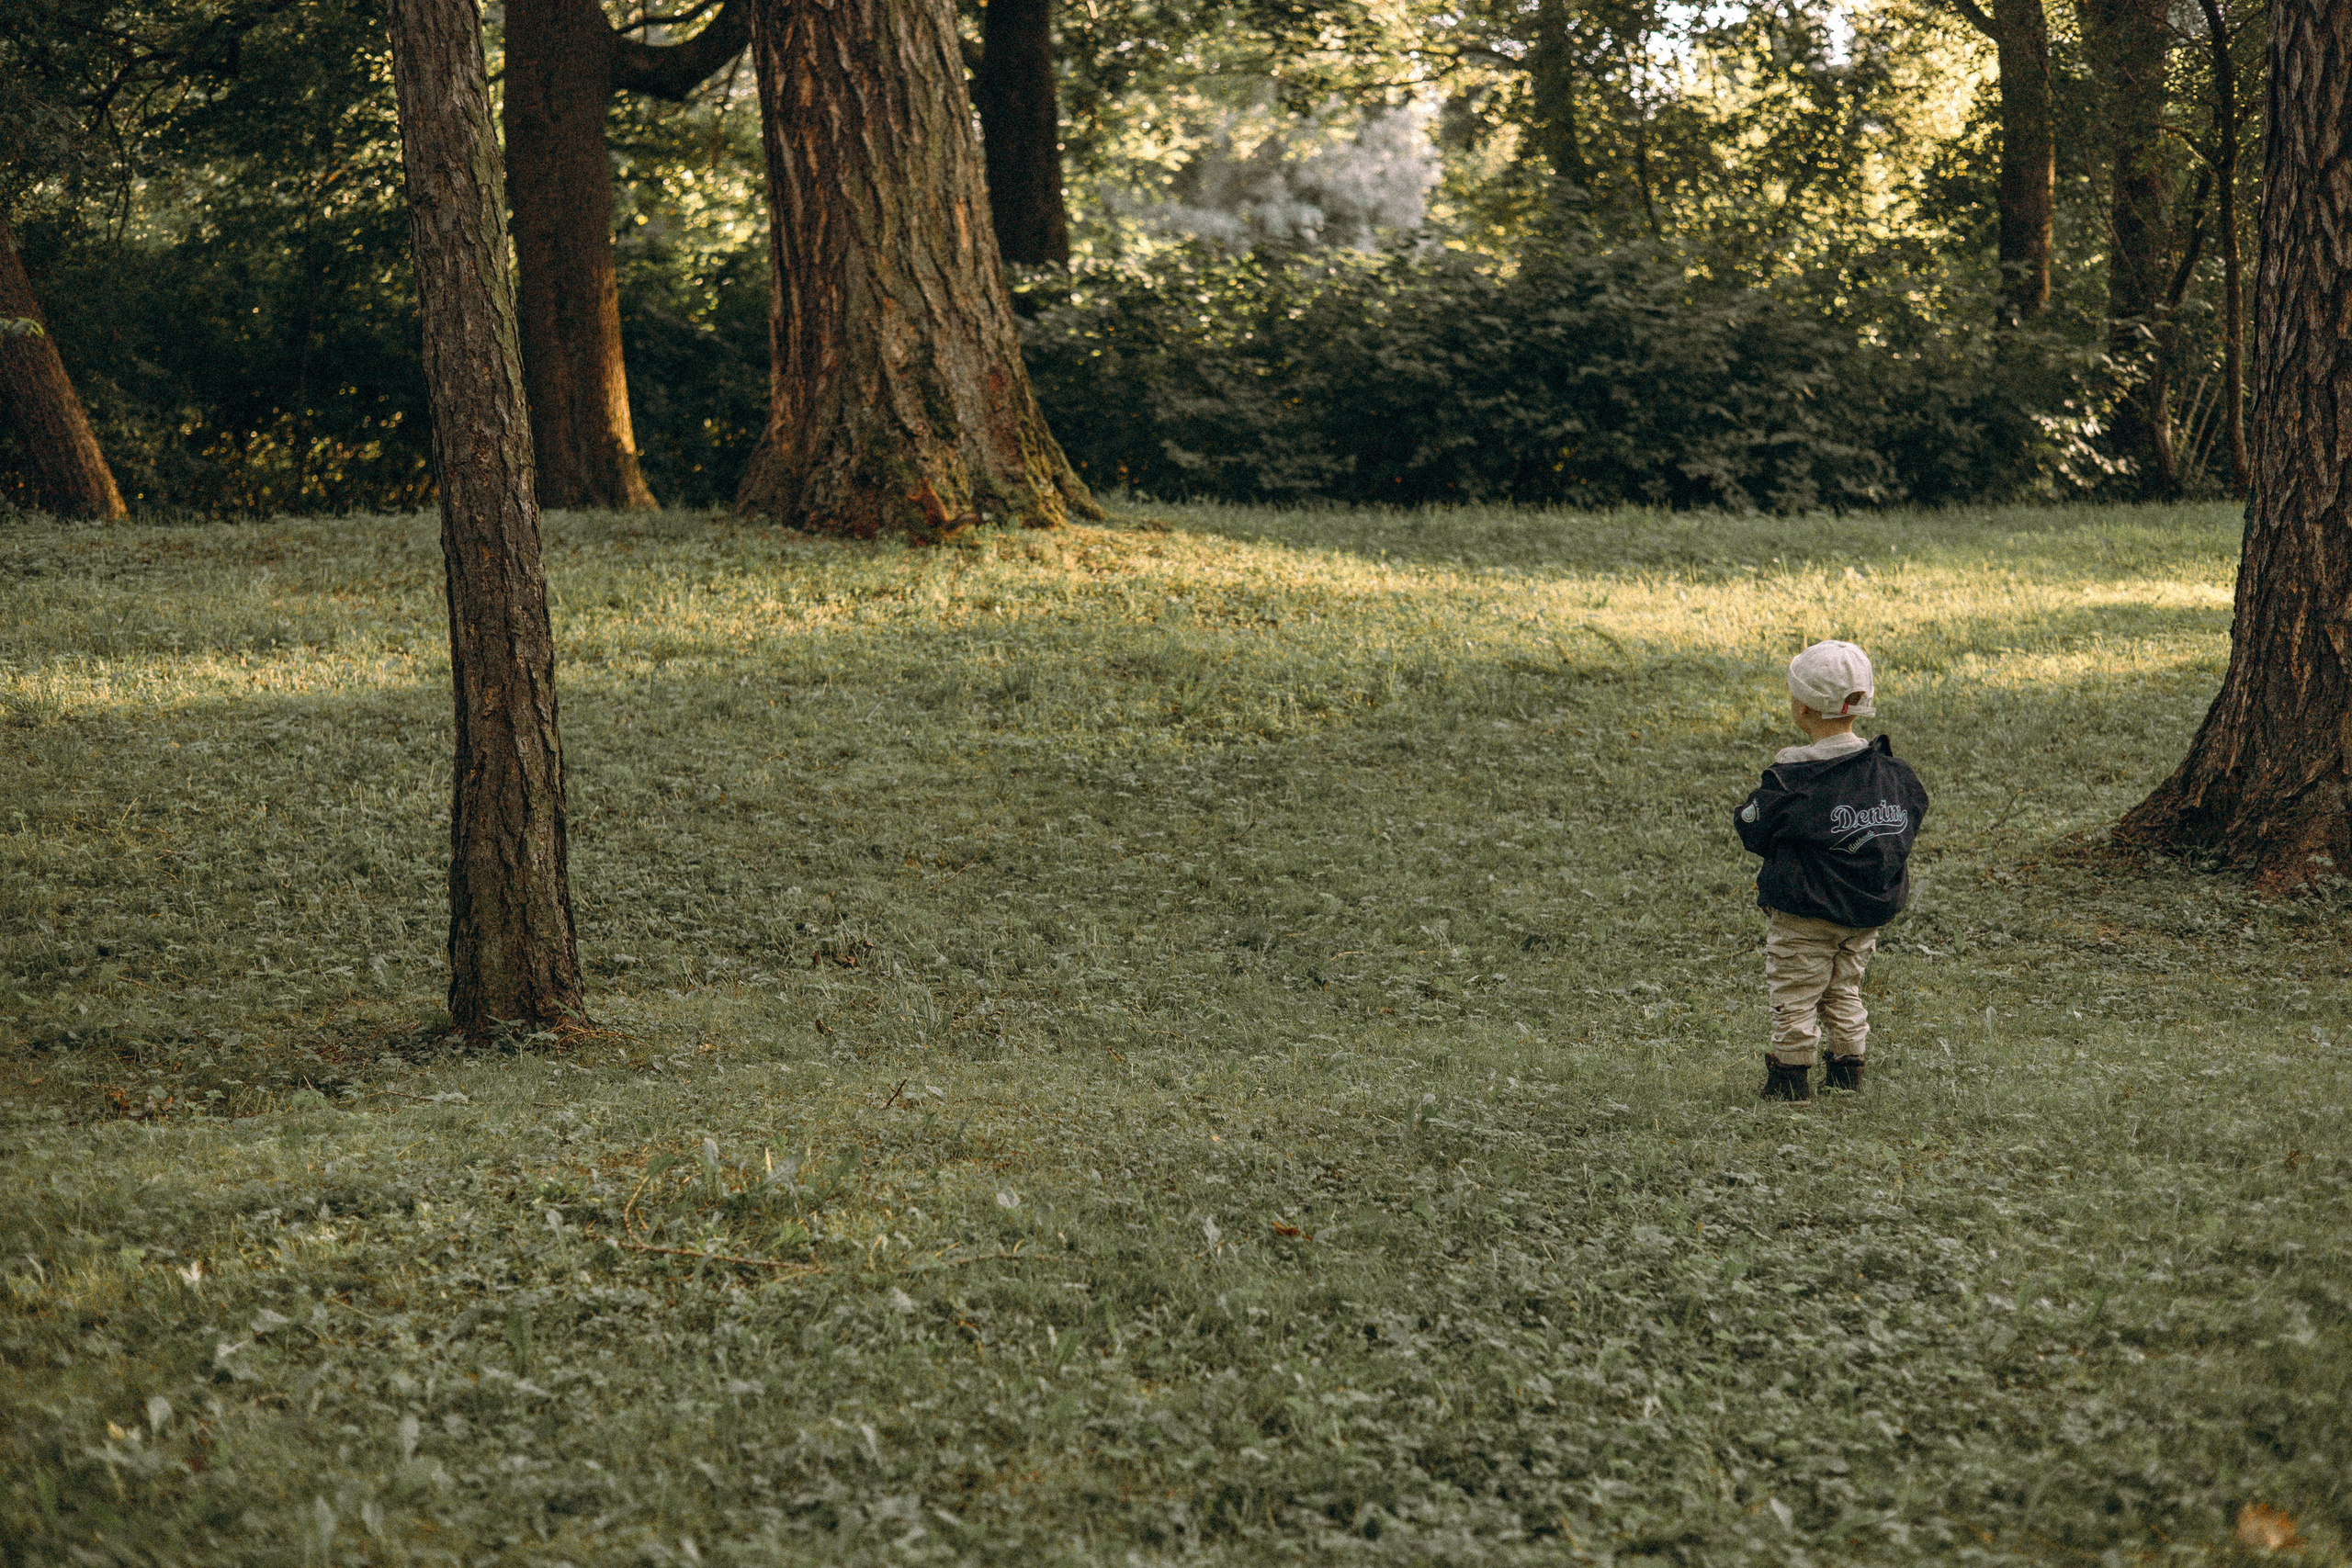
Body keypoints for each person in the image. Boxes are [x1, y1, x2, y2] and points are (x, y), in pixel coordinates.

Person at [1732, 640, 1929, 1101]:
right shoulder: (1895, 774)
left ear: (1801, 708)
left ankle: (1790, 1081)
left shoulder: (1791, 781)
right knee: (1845, 987)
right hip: (1865, 913)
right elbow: (1910, 817)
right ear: (1861, 704)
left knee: (1795, 996)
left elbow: (1752, 829)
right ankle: (1847, 1072)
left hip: (1805, 914)